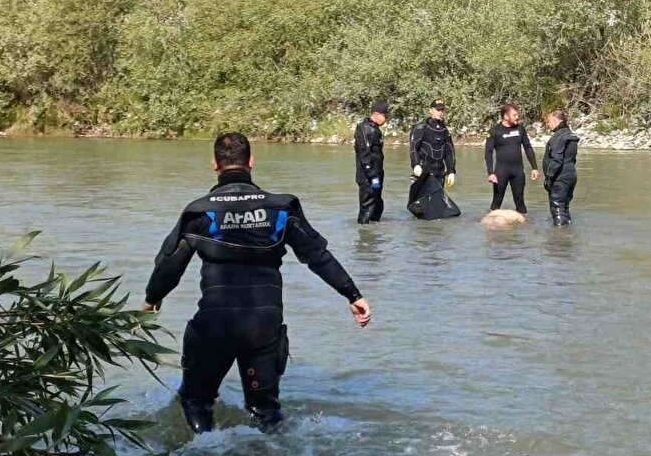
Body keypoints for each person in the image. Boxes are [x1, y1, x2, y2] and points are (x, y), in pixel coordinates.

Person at [142, 132, 372, 434]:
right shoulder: (281, 208)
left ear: (214, 164)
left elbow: (169, 266)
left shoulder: (199, 212)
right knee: (265, 410)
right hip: (264, 325)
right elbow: (317, 256)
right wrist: (352, 294)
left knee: (196, 401)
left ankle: (204, 455)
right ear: (251, 162)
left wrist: (151, 300)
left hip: (215, 323)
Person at [484, 103, 540, 215]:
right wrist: (490, 173)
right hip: (501, 172)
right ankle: (490, 229)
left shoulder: (520, 129)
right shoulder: (494, 131)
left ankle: (524, 230)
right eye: (514, 115)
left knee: (520, 203)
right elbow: (488, 153)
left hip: (518, 171)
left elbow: (528, 148)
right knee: (496, 202)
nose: (517, 117)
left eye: (517, 115)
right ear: (506, 116)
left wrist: (534, 168)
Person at [407, 100, 458, 217]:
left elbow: (449, 152)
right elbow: (413, 147)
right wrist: (415, 165)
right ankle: (422, 232)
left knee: (436, 206)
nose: (440, 112)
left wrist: (451, 171)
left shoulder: (444, 130)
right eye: (438, 110)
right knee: (421, 206)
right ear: (431, 111)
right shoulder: (421, 127)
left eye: (442, 110)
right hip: (423, 172)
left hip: (439, 172)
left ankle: (436, 233)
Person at [543, 110, 579, 226]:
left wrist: (549, 177)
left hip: (559, 177)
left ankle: (558, 239)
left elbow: (557, 159)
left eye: (549, 122)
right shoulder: (571, 136)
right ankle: (567, 235)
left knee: (557, 207)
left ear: (555, 120)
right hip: (571, 175)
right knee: (565, 208)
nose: (548, 124)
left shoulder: (559, 137)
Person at [354, 100, 388, 224]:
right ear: (376, 114)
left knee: (378, 205)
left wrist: (377, 176)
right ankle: (364, 235)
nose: (387, 119)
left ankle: (374, 238)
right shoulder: (364, 128)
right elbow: (365, 155)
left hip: (376, 175)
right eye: (385, 115)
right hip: (367, 177)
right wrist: (373, 176)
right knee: (368, 206)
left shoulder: (375, 128)